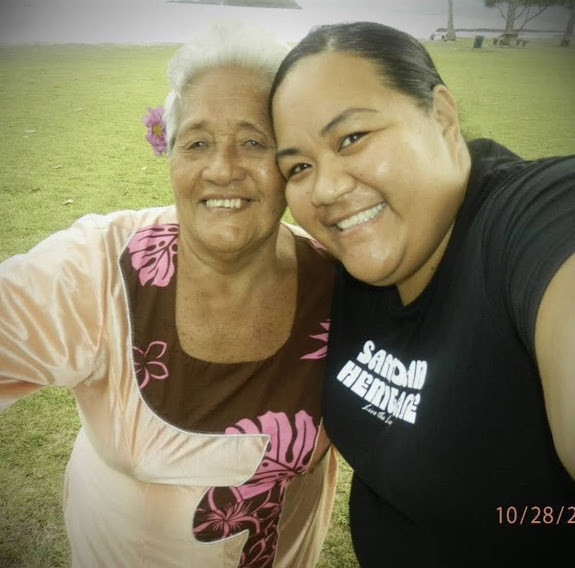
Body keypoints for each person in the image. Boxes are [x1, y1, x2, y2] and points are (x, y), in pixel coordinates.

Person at [0, 23, 337, 568]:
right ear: (172, 157)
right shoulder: (97, 269)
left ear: (290, 162)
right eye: (197, 142)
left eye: (254, 141)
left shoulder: (340, 284)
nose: (222, 169)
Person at [270, 21, 575, 567]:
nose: (326, 189)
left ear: (442, 115)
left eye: (352, 138)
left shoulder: (529, 219)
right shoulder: (346, 263)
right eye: (298, 166)